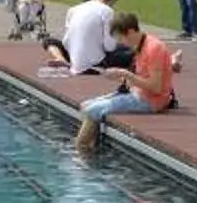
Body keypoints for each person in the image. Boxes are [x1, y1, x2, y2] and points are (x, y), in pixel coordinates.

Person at [73, 12, 176, 150]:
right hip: (138, 93)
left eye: (121, 38)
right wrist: (123, 78)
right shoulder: (141, 45)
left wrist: (126, 74)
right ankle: (92, 148)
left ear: (131, 31)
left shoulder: (153, 48)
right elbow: (142, 77)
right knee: (85, 105)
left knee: (93, 110)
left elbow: (156, 87)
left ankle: (80, 151)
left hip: (151, 101)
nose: (121, 43)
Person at [44, 0, 130, 74]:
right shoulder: (107, 11)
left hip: (73, 59)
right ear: (112, 0)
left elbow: (66, 41)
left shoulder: (73, 9)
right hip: (96, 63)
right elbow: (109, 47)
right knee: (129, 51)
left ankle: (60, 58)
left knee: (48, 41)